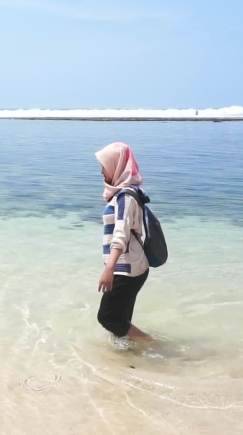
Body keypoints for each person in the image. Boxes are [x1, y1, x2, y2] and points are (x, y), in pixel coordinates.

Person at [95, 142, 151, 342]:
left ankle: (152, 344)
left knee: (108, 317)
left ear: (116, 165)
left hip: (127, 269)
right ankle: (130, 353)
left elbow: (121, 235)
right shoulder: (127, 192)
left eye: (104, 166)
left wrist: (109, 269)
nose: (102, 171)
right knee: (121, 320)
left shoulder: (125, 197)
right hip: (131, 266)